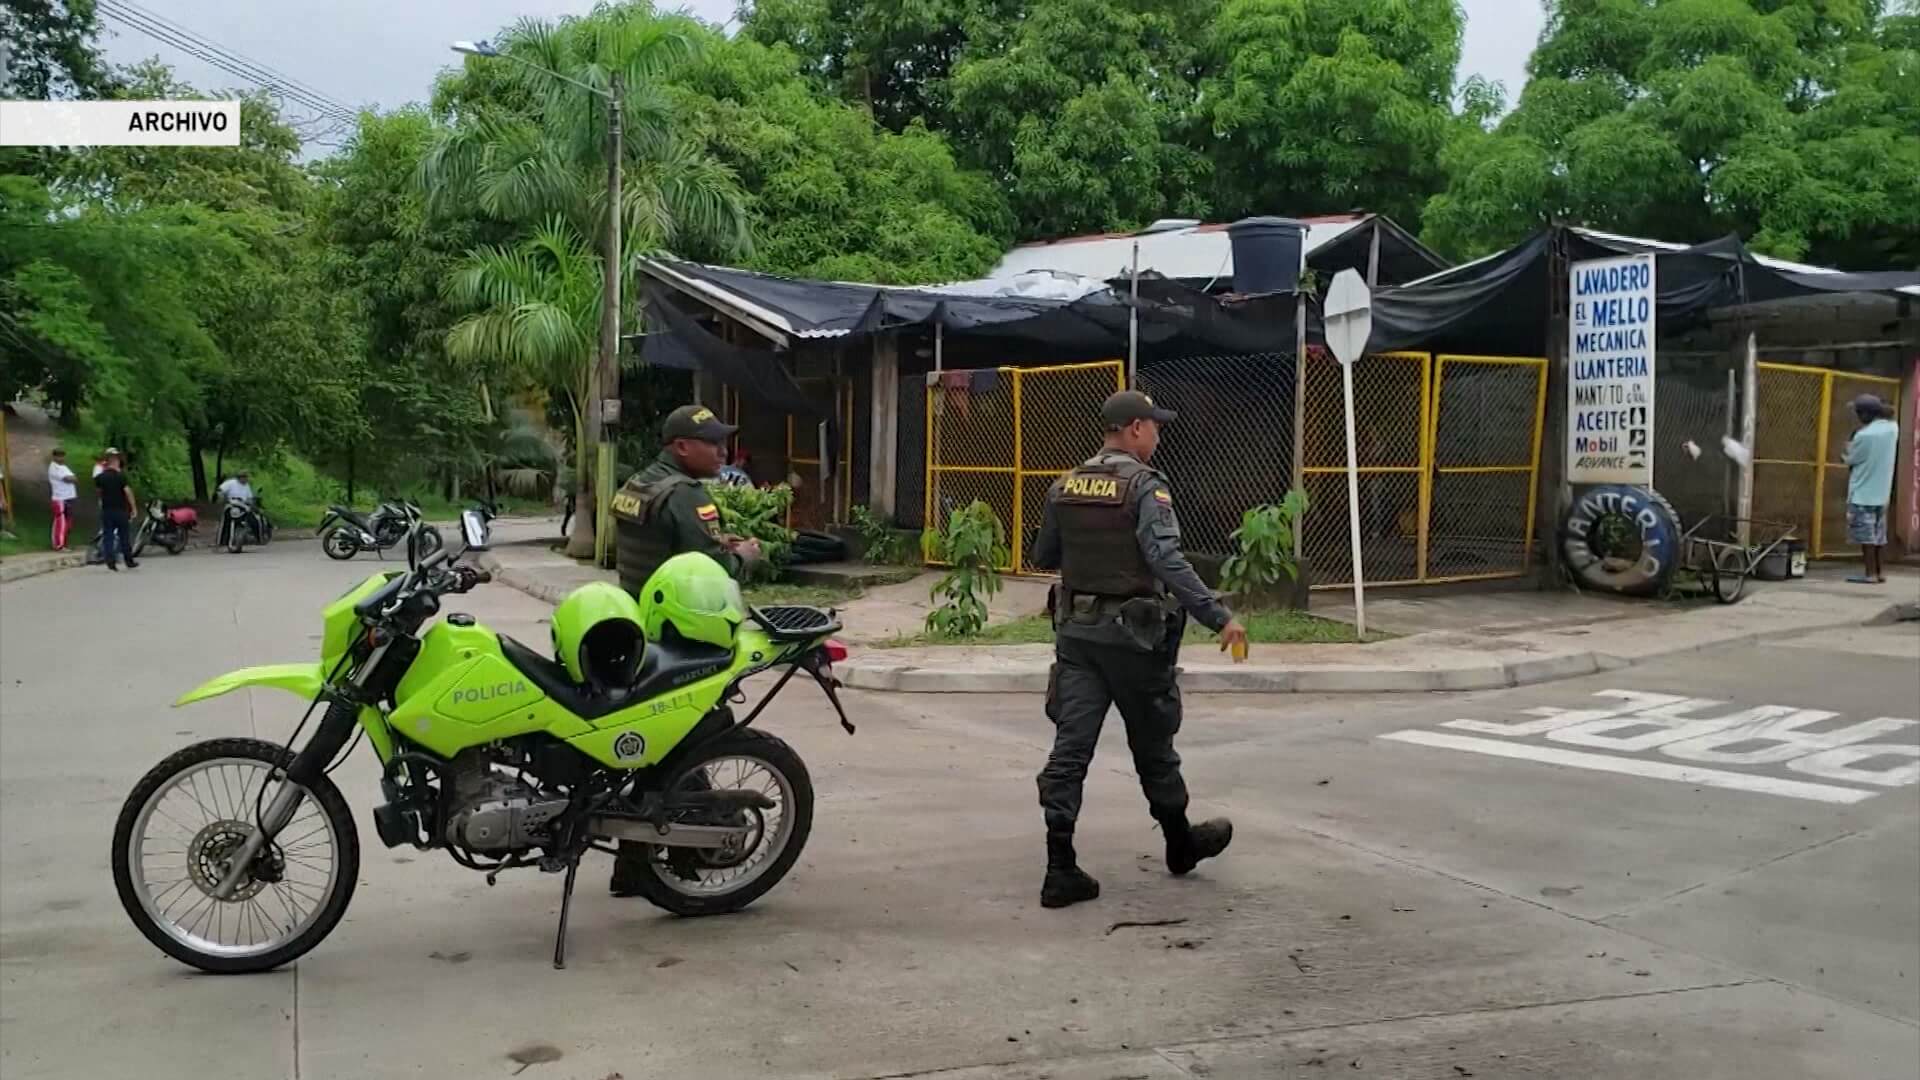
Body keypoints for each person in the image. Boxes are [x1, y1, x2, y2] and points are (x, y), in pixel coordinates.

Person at [1027, 390, 1249, 909]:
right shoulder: (1146, 487)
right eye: (1153, 425)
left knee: (1070, 751)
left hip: (1078, 638)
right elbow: (1166, 560)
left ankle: (1060, 868)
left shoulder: (1064, 485)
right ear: (1132, 430)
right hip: (1134, 640)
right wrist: (1219, 616)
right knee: (1153, 747)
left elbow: (1044, 554)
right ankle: (1179, 843)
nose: (1158, 433)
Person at [606, 404, 761, 898]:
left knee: (659, 747)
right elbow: (713, 570)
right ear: (681, 447)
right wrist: (744, 556)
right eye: (713, 443)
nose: (723, 451)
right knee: (685, 745)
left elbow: (663, 551)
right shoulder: (686, 495)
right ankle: (673, 854)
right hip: (678, 635)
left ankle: (634, 864)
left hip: (634, 625)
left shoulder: (640, 483)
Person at [1842, 393, 1899, 584]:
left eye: (1858, 412)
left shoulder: (1863, 436)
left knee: (1866, 538)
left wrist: (1847, 448)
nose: (1857, 416)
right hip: (1882, 493)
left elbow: (1850, 460)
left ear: (1865, 414)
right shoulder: (1892, 428)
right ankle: (1880, 572)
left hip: (1862, 493)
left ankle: (1870, 574)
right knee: (1879, 536)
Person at [95, 451, 138, 571]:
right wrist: (133, 508)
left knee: (108, 536)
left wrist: (102, 500)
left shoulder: (100, 477)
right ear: (115, 463)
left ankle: (110, 561)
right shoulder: (121, 476)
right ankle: (128, 560)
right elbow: (128, 492)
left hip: (107, 510)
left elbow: (98, 492)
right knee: (124, 535)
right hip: (120, 510)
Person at [47, 448, 78, 551]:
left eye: (62, 455)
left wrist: (73, 478)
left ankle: (65, 543)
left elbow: (74, 478)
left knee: (68, 523)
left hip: (69, 497)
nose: (61, 458)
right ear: (54, 457)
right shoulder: (54, 467)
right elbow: (68, 479)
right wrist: (72, 478)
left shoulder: (64, 467)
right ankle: (59, 545)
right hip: (60, 498)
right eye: (59, 456)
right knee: (61, 522)